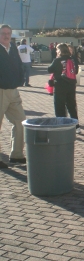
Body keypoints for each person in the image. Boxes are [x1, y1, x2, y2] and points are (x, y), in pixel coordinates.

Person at [0, 24, 27, 169]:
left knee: (20, 122)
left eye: (8, 33)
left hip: (13, 91)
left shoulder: (13, 48)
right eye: (3, 33)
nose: (6, 35)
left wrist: (20, 80)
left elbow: (19, 65)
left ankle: (17, 155)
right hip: (1, 91)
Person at [48, 43, 81, 133]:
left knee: (59, 107)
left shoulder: (57, 60)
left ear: (60, 50)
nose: (56, 51)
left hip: (60, 86)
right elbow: (76, 71)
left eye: (57, 49)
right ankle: (77, 127)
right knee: (72, 106)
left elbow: (49, 69)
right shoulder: (73, 59)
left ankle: (62, 126)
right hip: (71, 85)